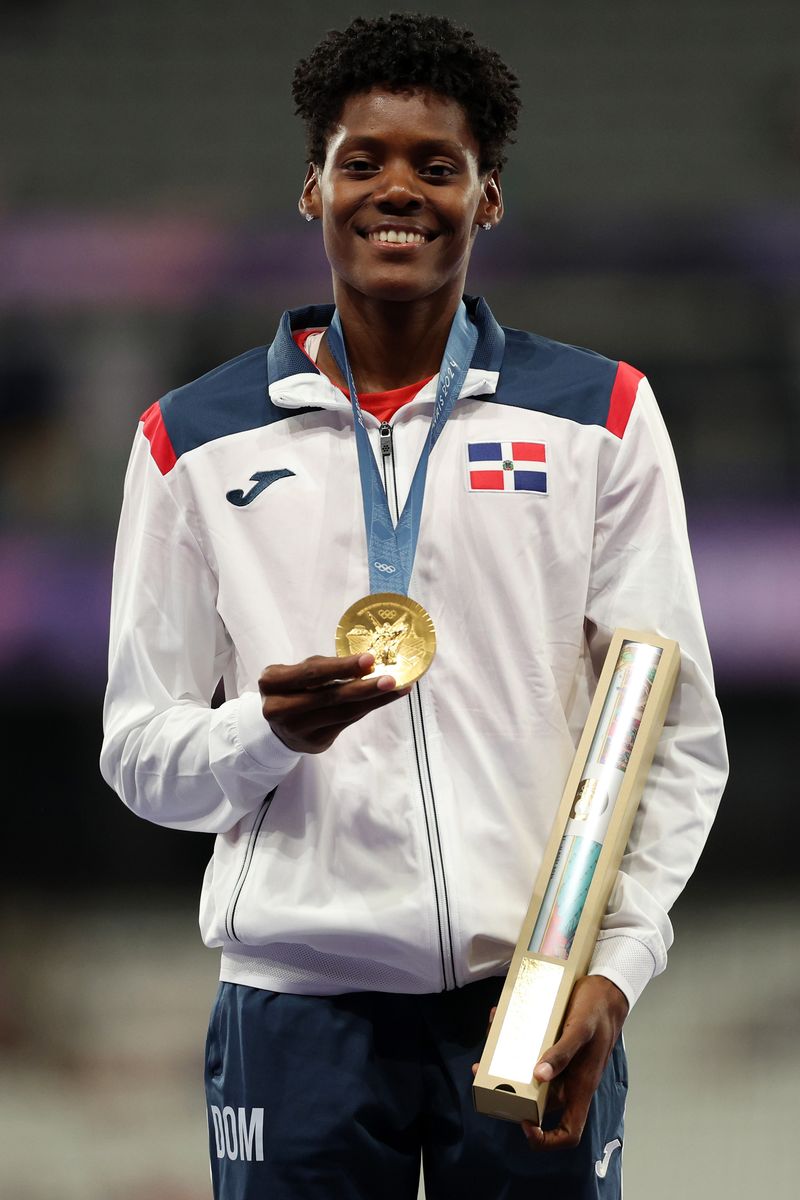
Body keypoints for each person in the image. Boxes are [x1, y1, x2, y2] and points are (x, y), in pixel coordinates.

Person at [100, 12, 727, 1200]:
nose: (397, 189)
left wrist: (618, 965)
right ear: (311, 190)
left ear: (486, 199)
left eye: (436, 166)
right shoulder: (192, 439)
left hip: (529, 996)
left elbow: (669, 730)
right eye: (361, 161)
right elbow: (139, 757)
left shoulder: (597, 416)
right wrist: (260, 734)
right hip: (294, 1014)